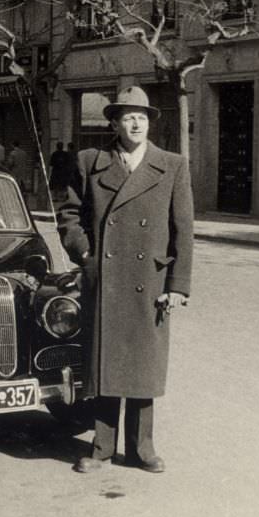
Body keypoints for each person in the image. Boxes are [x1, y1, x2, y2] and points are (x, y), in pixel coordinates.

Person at [58, 85, 193, 475]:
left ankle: (142, 448)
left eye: (142, 116)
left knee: (143, 365)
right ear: (114, 123)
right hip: (107, 277)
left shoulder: (172, 165)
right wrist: (86, 256)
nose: (136, 123)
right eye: (128, 117)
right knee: (106, 364)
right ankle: (101, 447)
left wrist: (178, 285)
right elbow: (69, 215)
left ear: (149, 123)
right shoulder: (90, 161)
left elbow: (183, 229)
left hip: (149, 280)